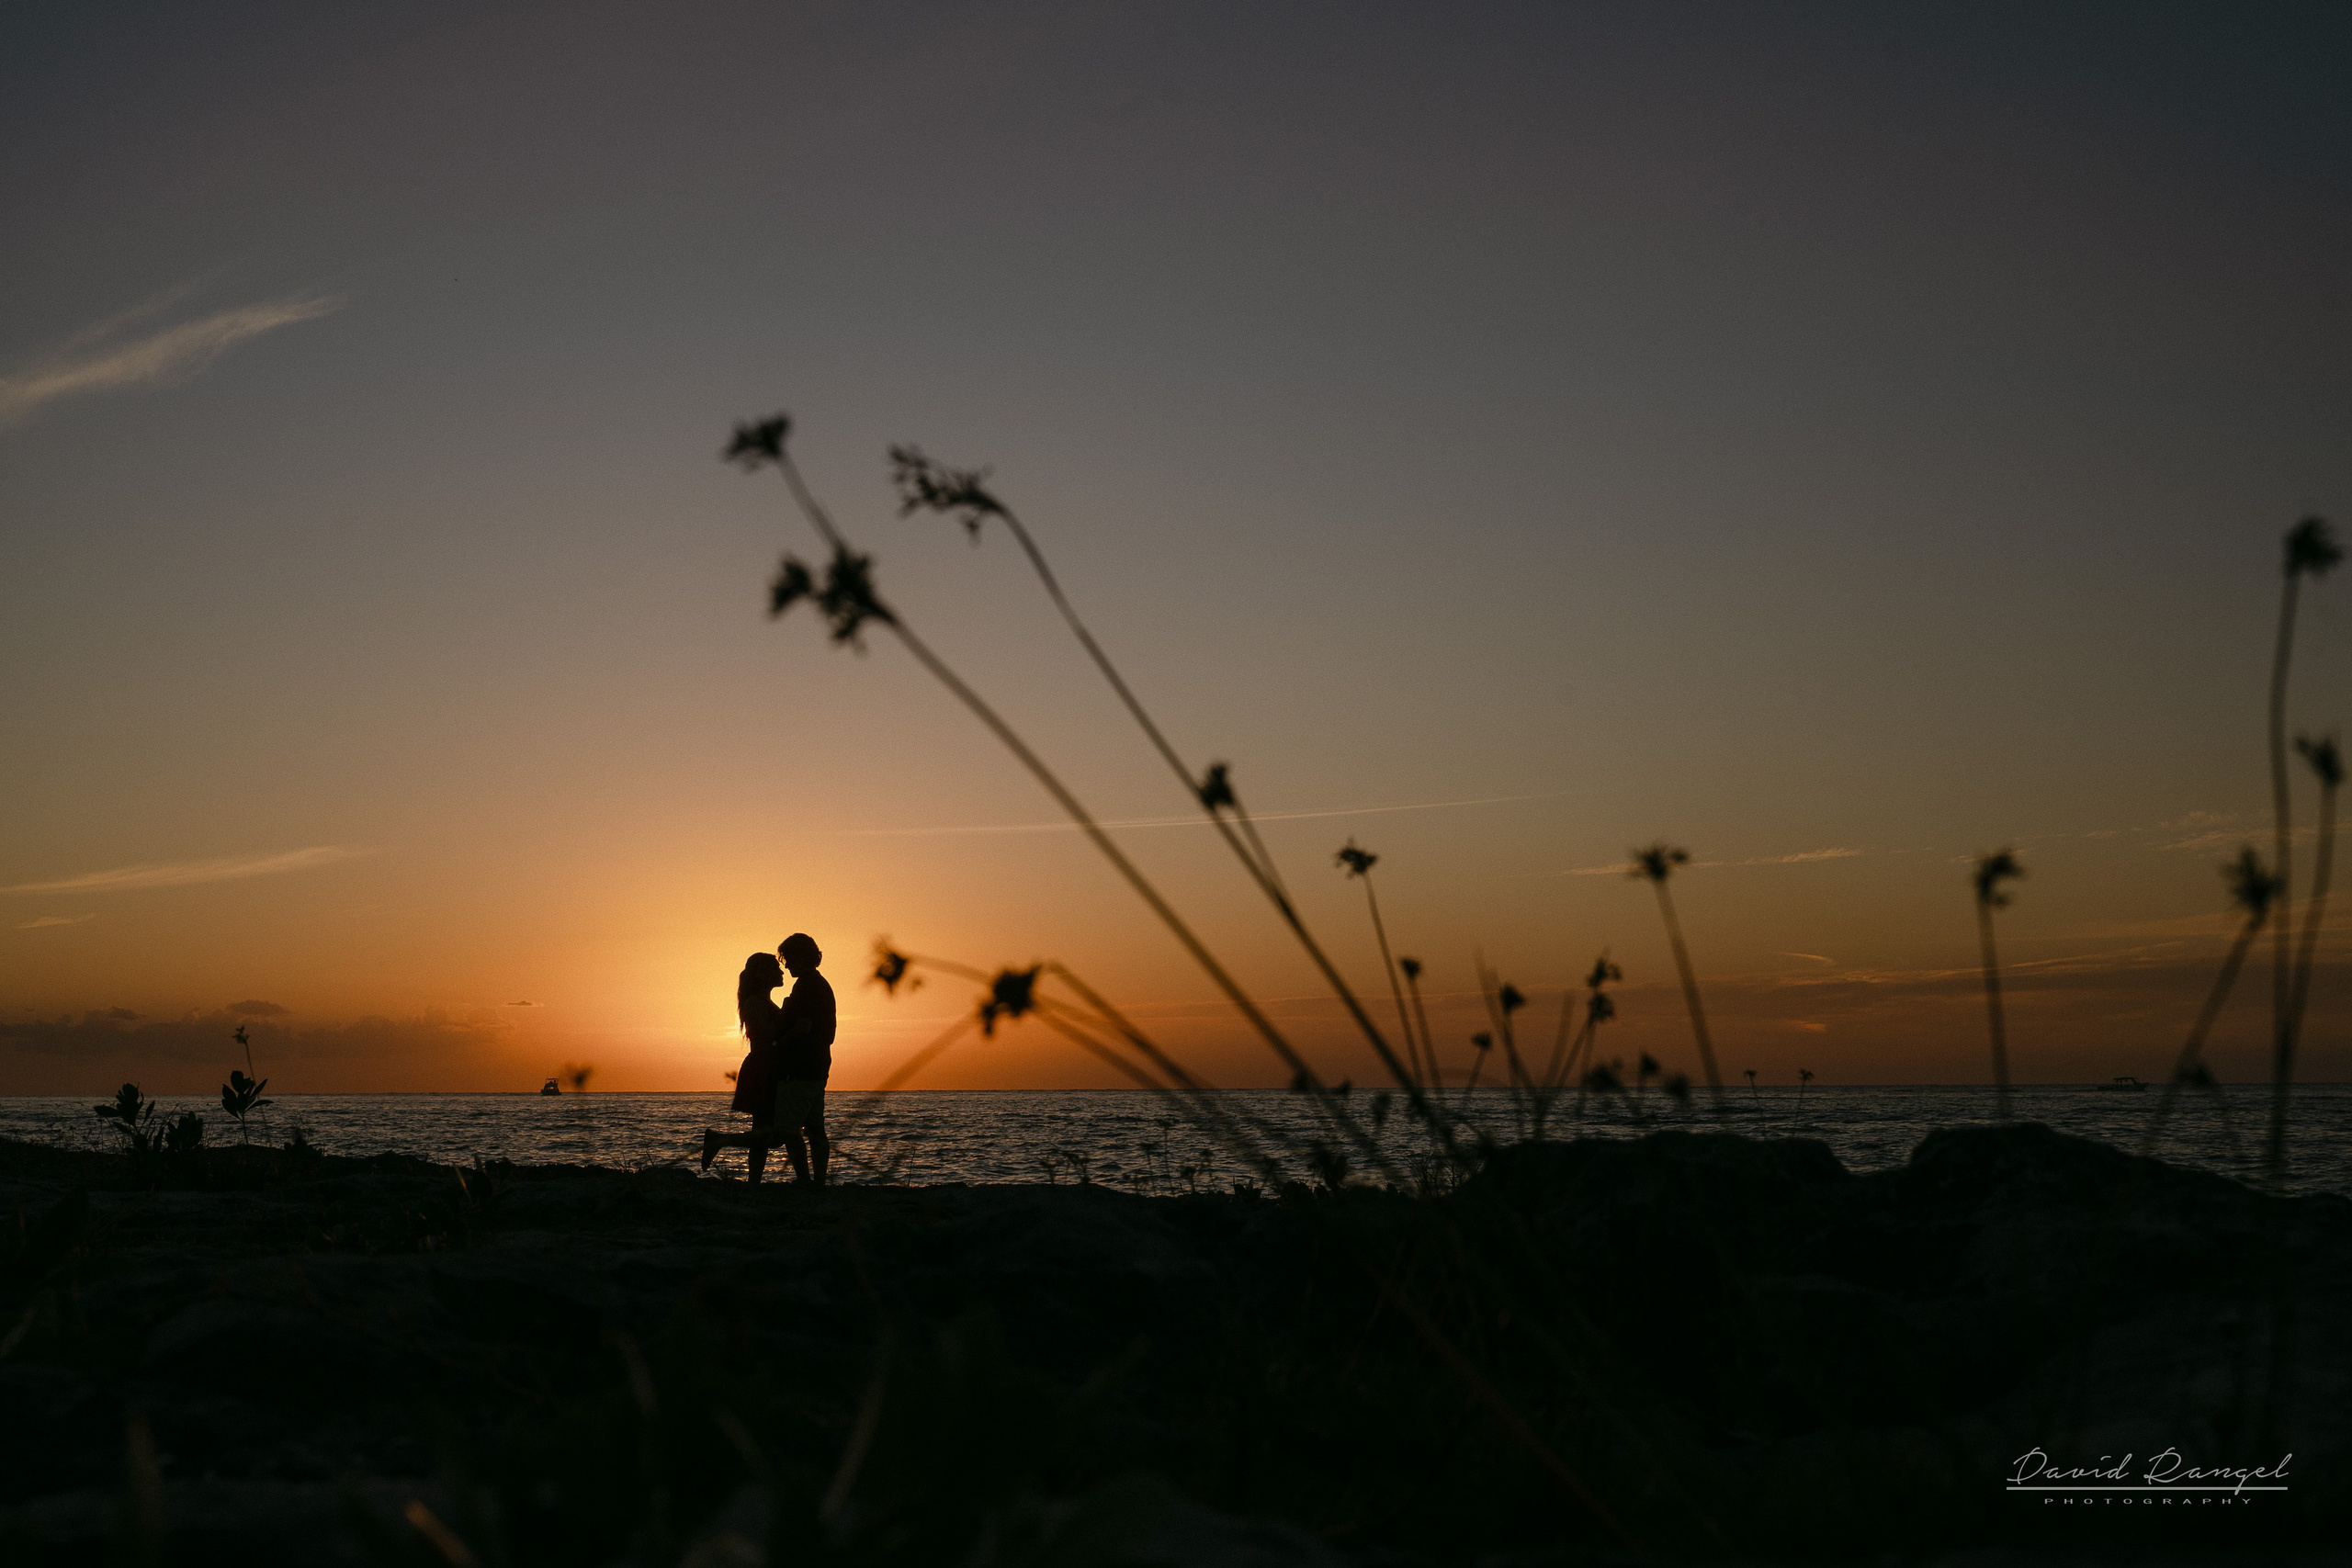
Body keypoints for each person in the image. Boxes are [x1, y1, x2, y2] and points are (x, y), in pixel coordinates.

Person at [702, 952, 785, 1180]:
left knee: (764, 1132)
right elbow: (766, 1035)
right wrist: (787, 1015)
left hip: (767, 1066)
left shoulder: (763, 1001)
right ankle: (721, 1140)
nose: (781, 972)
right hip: (762, 1067)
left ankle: (753, 1182)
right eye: (775, 968)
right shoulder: (755, 1002)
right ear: (761, 974)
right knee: (776, 1134)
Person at [770, 931, 836, 1185]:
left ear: (799, 957)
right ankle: (818, 1181)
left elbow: (803, 1027)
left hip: (801, 1066)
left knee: (788, 1130)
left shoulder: (808, 985)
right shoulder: (818, 984)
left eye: (788, 959)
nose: (786, 965)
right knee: (815, 1128)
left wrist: (777, 1044)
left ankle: (805, 1181)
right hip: (818, 1065)